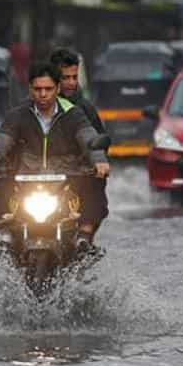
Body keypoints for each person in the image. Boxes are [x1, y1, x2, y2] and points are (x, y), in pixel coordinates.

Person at [0, 63, 110, 247]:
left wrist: (100, 162)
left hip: (67, 179)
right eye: (38, 89)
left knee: (95, 181)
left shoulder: (74, 114)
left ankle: (83, 238)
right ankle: (6, 237)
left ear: (58, 89)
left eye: (48, 89)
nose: (43, 94)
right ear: (30, 89)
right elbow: (0, 144)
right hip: (26, 179)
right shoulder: (18, 115)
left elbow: (89, 140)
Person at [49, 48, 109, 241]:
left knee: (95, 184)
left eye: (74, 77)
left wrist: (96, 162)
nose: (71, 82)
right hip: (40, 177)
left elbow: (97, 142)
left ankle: (84, 234)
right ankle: (8, 240)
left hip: (76, 177)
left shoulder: (84, 109)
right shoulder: (30, 106)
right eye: (65, 77)